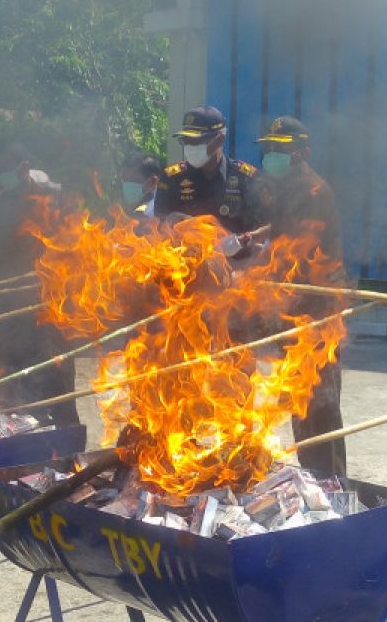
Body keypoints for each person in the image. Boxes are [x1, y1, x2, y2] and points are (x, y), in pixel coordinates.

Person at [254, 115, 347, 477]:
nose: (272, 156)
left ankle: (332, 484)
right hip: (290, 312)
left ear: (300, 153)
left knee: (319, 407)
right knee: (299, 404)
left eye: (280, 150)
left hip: (315, 315)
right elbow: (276, 236)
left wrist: (255, 272)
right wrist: (252, 244)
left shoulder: (313, 191)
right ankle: (314, 481)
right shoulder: (283, 189)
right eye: (269, 149)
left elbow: (294, 251)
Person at [0, 143, 79, 429]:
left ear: (24, 168)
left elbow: (76, 240)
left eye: (7, 169)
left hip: (50, 303)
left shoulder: (54, 197)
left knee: (58, 375)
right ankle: (13, 446)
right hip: (9, 307)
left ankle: (69, 450)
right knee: (8, 378)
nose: (1, 176)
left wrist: (54, 270)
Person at [152, 105, 261, 234]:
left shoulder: (247, 178)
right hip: (181, 252)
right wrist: (171, 221)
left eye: (196, 141)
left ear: (219, 139)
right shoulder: (171, 177)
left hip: (232, 253)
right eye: (186, 140)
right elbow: (158, 224)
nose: (190, 147)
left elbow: (259, 230)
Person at [119, 151, 163, 217]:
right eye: (124, 180)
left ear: (152, 182)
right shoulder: (131, 208)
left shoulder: (150, 214)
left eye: (132, 180)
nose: (126, 185)